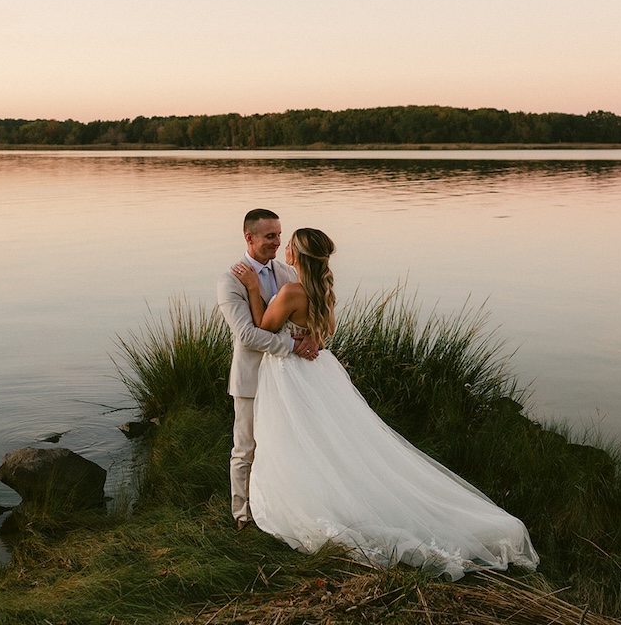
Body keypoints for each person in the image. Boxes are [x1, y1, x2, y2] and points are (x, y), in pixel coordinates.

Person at [230, 227, 540, 579]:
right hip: (318, 372)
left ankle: (308, 501)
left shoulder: (291, 291)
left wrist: (253, 288)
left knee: (295, 441)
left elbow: (262, 326)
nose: (283, 246)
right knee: (327, 441)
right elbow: (325, 331)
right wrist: (308, 337)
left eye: (287, 243)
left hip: (291, 376)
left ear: (296, 255)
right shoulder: (322, 293)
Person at [216, 209, 321, 531]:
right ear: (249, 237)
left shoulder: (288, 272)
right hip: (252, 378)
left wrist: (312, 338)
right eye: (269, 236)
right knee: (245, 448)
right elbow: (247, 335)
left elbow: (306, 313)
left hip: (288, 378)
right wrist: (292, 346)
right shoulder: (230, 280)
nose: (277, 242)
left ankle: (280, 509)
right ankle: (242, 515)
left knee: (287, 445)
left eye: (279, 235)